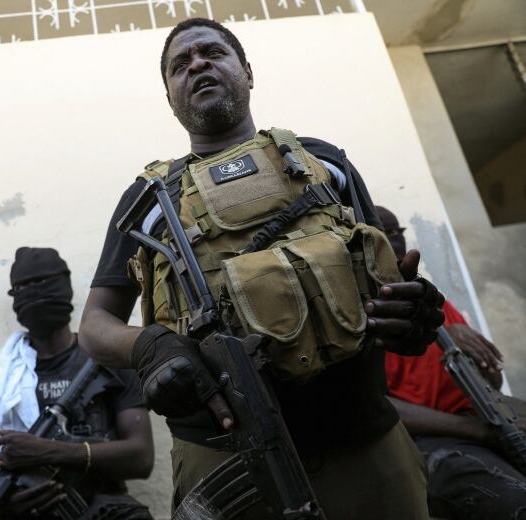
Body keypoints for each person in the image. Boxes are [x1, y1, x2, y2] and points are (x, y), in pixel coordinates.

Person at [79, 17, 446, 519]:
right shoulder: (148, 201)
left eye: (213, 52)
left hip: (363, 441)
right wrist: (150, 346)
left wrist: (412, 309)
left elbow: (382, 273)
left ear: (248, 72)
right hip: (228, 454)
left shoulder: (323, 163)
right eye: (180, 65)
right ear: (171, 98)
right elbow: (95, 326)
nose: (198, 64)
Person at [0, 247, 154, 519]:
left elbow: (141, 457)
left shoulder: (107, 358)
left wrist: (50, 451)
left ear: (64, 286)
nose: (34, 293)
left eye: (43, 283)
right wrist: (5, 507)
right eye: (23, 287)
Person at [379, 205, 526, 519]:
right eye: (383, 234)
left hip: (481, 419)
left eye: (397, 233)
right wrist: (482, 431)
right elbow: (380, 407)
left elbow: (492, 384)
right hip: (433, 442)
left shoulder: (432, 301)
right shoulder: (366, 312)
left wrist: (482, 366)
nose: (394, 242)